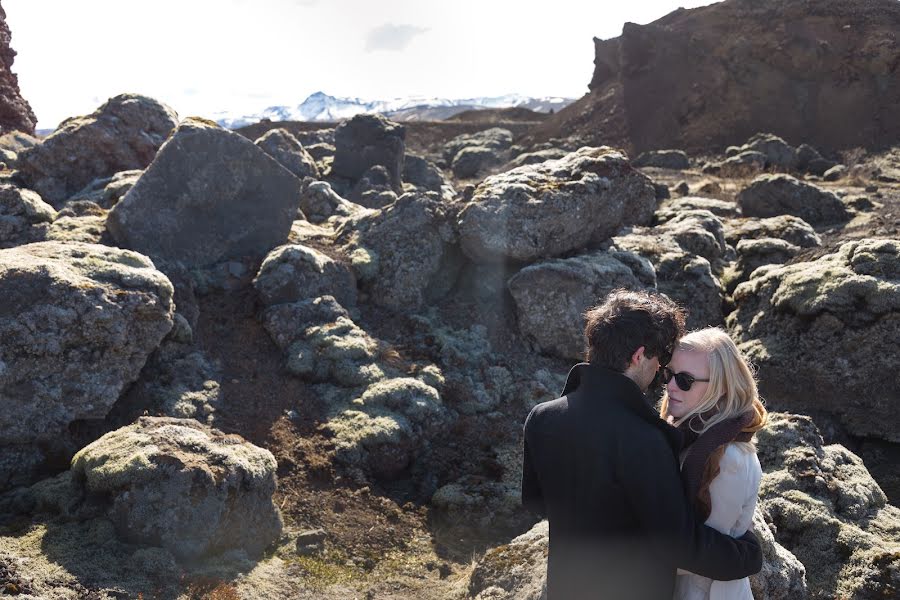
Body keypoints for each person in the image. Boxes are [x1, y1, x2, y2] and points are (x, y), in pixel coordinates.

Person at [521, 289, 762, 600]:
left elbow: (535, 502)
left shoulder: (541, 418)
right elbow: (678, 545)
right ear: (638, 356)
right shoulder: (645, 439)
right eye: (661, 360)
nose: (662, 374)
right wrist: (749, 555)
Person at [659, 327, 768, 600]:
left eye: (685, 380)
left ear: (721, 389)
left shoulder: (729, 458)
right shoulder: (685, 436)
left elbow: (705, 552)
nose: (671, 386)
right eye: (669, 374)